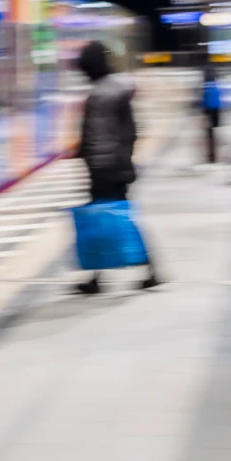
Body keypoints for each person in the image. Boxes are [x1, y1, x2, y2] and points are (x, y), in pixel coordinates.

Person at [75, 41, 159, 295]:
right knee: (111, 218)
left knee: (106, 220)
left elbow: (96, 136)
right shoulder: (116, 90)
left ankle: (147, 270)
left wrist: (89, 158)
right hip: (115, 165)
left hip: (104, 167)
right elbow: (129, 131)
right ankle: (102, 276)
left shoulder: (100, 94)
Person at [199, 62, 222, 165]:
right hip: (216, 110)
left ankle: (211, 156)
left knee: (209, 134)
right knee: (213, 134)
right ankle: (214, 156)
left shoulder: (205, 88)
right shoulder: (216, 86)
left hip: (209, 111)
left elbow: (203, 101)